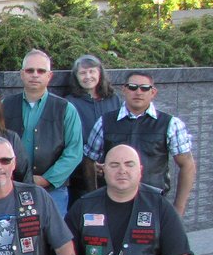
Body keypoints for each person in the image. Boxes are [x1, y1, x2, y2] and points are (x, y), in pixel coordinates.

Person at [83, 72, 195, 216]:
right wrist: (94, 196)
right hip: (111, 203)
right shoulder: (104, 122)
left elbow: (187, 165)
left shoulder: (171, 124)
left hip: (153, 203)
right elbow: (88, 160)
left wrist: (178, 208)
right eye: (132, 87)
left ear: (153, 92)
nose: (138, 92)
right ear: (124, 90)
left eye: (144, 88)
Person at [1, 49, 83, 216]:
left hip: (54, 191)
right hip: (11, 187)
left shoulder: (66, 109)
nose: (35, 75)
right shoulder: (4, 105)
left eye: (41, 71)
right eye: (30, 70)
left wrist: (46, 179)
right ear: (22, 74)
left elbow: (74, 151)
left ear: (49, 76)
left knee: (53, 240)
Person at [65, 54, 122, 196]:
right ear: (76, 77)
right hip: (80, 177)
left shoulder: (114, 100)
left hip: (114, 172)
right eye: (82, 73)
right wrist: (89, 165)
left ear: (100, 73)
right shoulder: (69, 103)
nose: (87, 76)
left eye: (92, 71)